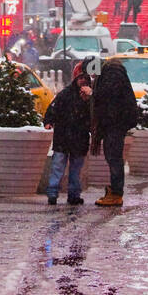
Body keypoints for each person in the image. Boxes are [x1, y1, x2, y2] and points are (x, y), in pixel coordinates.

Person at [90, 58, 139, 206]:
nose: (92, 78)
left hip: (116, 123)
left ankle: (116, 194)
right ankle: (114, 191)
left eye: (92, 75)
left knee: (114, 157)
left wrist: (93, 92)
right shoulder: (110, 71)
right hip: (114, 122)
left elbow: (109, 94)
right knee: (112, 156)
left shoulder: (112, 72)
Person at [44, 64, 94, 205]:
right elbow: (53, 109)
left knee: (73, 169)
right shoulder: (65, 94)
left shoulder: (89, 97)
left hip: (73, 137)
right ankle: (55, 193)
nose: (83, 81)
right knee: (60, 167)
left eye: (85, 78)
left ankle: (71, 194)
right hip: (67, 137)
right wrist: (49, 120)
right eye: (81, 78)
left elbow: (94, 114)